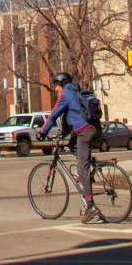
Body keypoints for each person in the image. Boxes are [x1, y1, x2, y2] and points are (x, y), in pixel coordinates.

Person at [37, 72, 102, 223]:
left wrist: (42, 133)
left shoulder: (65, 94)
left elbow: (53, 115)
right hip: (95, 128)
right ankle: (86, 174)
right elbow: (70, 116)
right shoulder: (77, 90)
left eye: (57, 86)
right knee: (73, 145)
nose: (56, 89)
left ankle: (90, 207)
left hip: (84, 131)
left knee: (82, 166)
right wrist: (63, 133)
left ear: (62, 83)